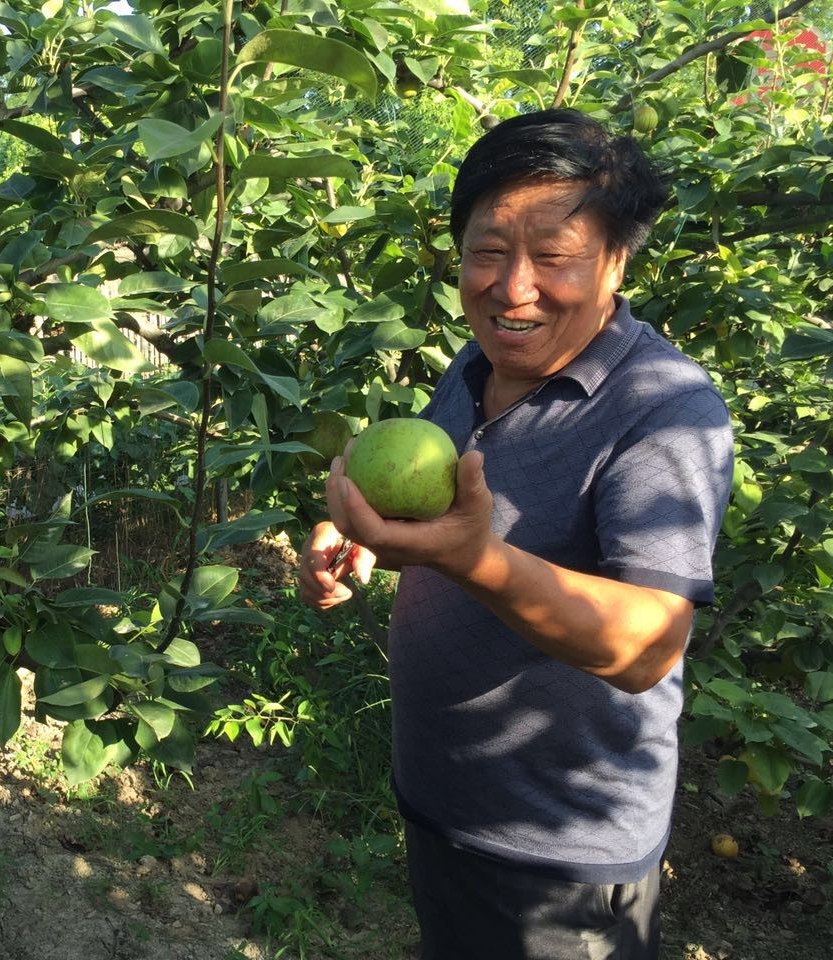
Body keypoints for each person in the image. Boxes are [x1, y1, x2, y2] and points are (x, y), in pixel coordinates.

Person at [298, 109, 734, 959]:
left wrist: (476, 559)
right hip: (445, 801)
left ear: (616, 261)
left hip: (562, 853)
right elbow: (432, 507)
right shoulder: (472, 370)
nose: (513, 287)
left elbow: (649, 645)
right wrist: (354, 533)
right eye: (487, 252)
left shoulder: (666, 411)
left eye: (555, 256)